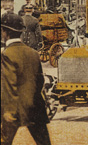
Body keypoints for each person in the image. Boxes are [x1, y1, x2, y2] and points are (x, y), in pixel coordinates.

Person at [1, 12, 52, 145]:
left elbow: (9, 85)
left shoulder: (7, 54)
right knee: (44, 143)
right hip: (35, 108)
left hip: (14, 110)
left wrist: (9, 113)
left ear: (5, 32)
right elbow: (40, 82)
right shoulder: (33, 53)